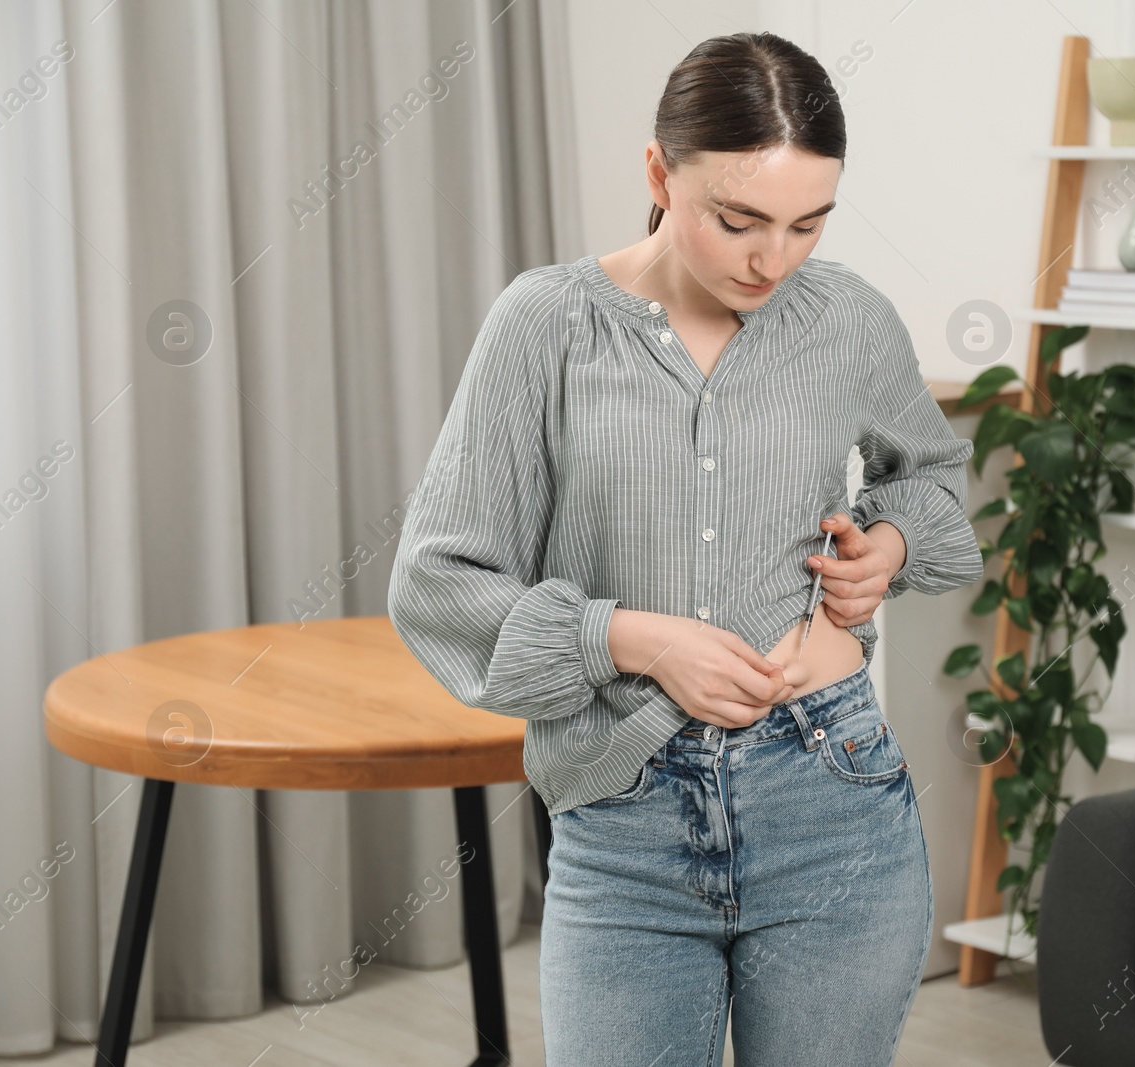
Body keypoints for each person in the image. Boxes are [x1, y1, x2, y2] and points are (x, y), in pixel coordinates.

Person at [388, 30, 983, 1067]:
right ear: (659, 172)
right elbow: (438, 579)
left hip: (833, 799)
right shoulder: (547, 324)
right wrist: (633, 636)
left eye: (808, 223)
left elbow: (930, 477)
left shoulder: (848, 320)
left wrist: (883, 545)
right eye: (738, 219)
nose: (772, 258)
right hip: (624, 825)